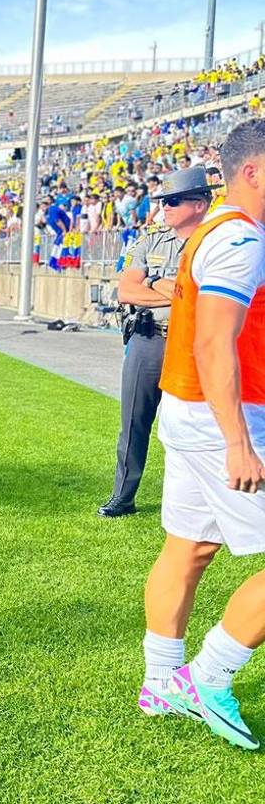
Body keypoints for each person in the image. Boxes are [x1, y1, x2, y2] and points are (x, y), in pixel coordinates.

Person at [138, 120, 265, 752]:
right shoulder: (240, 238)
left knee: (188, 547)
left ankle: (161, 681)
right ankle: (207, 676)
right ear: (254, 171)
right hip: (224, 418)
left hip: (187, 409)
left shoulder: (217, 228)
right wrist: (239, 442)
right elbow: (216, 342)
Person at [101, 168, 213, 517]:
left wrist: (159, 283)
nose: (165, 207)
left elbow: (206, 298)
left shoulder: (214, 242)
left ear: (200, 203)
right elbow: (127, 290)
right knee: (134, 422)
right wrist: (174, 291)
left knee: (200, 425)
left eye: (174, 201)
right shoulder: (151, 240)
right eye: (164, 201)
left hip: (195, 345)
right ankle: (123, 495)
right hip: (149, 339)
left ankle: (207, 502)